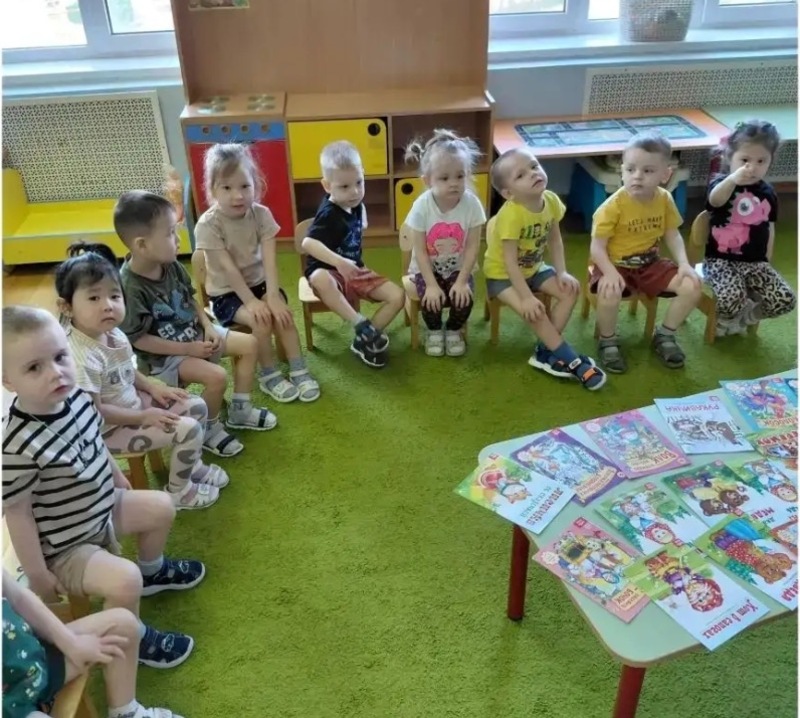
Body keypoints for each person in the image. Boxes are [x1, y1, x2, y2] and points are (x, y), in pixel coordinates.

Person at [2, 306, 203, 670]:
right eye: (34, 368)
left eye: (60, 357)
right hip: (65, 547)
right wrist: (38, 574)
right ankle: (135, 637)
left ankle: (153, 570)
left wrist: (114, 474)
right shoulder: (16, 445)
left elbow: (93, 438)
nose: (56, 372)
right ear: (7, 381)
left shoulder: (77, 397)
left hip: (101, 508)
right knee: (124, 579)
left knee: (161, 506)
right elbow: (18, 515)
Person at [56, 243, 228, 510]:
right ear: (66, 307)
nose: (108, 306)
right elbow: (95, 413)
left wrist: (153, 388)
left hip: (132, 405)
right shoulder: (81, 357)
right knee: (189, 429)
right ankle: (179, 492)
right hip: (106, 431)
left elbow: (125, 368)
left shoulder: (112, 332)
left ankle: (192, 466)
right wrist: (143, 417)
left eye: (115, 296)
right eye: (93, 298)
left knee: (196, 405)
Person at [115, 190, 274, 458]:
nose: (178, 239)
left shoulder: (171, 264)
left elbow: (190, 300)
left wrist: (209, 327)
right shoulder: (129, 287)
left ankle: (240, 410)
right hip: (165, 359)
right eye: (170, 233)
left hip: (196, 337)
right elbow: (138, 340)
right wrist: (188, 349)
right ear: (141, 245)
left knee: (250, 344)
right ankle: (208, 429)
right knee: (217, 377)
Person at [195, 143, 320, 402]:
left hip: (260, 283)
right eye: (227, 188)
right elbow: (228, 269)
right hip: (226, 293)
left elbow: (270, 261)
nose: (238, 196)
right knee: (261, 320)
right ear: (213, 190)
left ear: (256, 184)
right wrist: (251, 302)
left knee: (283, 314)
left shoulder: (261, 215)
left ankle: (299, 369)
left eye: (245, 186)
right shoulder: (208, 224)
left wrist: (272, 295)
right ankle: (269, 374)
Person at [487, 147, 606, 390]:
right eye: (521, 175)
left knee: (570, 291)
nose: (533, 173)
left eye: (534, 166)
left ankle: (545, 351)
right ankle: (571, 359)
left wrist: (561, 272)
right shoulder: (511, 216)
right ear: (508, 193)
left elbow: (555, 240)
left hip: (534, 268)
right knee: (535, 312)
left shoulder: (551, 200)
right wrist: (526, 297)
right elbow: (509, 263)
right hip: (503, 277)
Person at [589, 132, 702, 373]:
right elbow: (596, 248)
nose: (637, 176)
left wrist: (684, 263)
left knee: (692, 285)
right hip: (614, 264)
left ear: (665, 175)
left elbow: (672, 234)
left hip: (650, 263)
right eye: (630, 169)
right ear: (622, 171)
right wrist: (609, 272)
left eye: (648, 171)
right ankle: (607, 340)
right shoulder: (612, 207)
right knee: (609, 292)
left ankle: (665, 335)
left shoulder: (664, 199)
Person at [3, 569, 182, 718]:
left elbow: (18, 597)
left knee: (122, 626)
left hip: (37, 658)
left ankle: (127, 713)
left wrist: (72, 643)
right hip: (11, 704)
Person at [301, 140, 405, 368]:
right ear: (327, 186)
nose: (355, 192)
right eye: (344, 187)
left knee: (398, 296)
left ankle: (365, 339)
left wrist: (350, 263)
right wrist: (339, 262)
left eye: (359, 182)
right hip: (329, 272)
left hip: (355, 269)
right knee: (320, 277)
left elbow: (360, 224)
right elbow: (307, 243)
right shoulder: (328, 214)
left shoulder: (357, 205)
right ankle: (360, 323)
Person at [704, 119, 796, 336]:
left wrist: (766, 260)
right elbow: (715, 201)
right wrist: (733, 180)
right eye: (745, 160)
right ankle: (727, 319)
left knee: (786, 300)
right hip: (720, 261)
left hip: (755, 263)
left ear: (770, 161)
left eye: (761, 161)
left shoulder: (768, 192)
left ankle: (745, 317)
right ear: (729, 158)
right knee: (730, 298)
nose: (752, 168)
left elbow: (769, 227)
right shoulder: (722, 183)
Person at [403, 129, 486, 357]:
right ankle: (433, 331)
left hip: (459, 267)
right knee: (431, 301)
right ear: (427, 180)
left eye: (460, 176)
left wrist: (462, 281)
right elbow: (420, 250)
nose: (454, 183)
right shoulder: (422, 206)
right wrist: (431, 284)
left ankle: (453, 330)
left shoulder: (472, 205)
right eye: (444, 178)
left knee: (464, 299)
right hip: (426, 269)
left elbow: (473, 247)